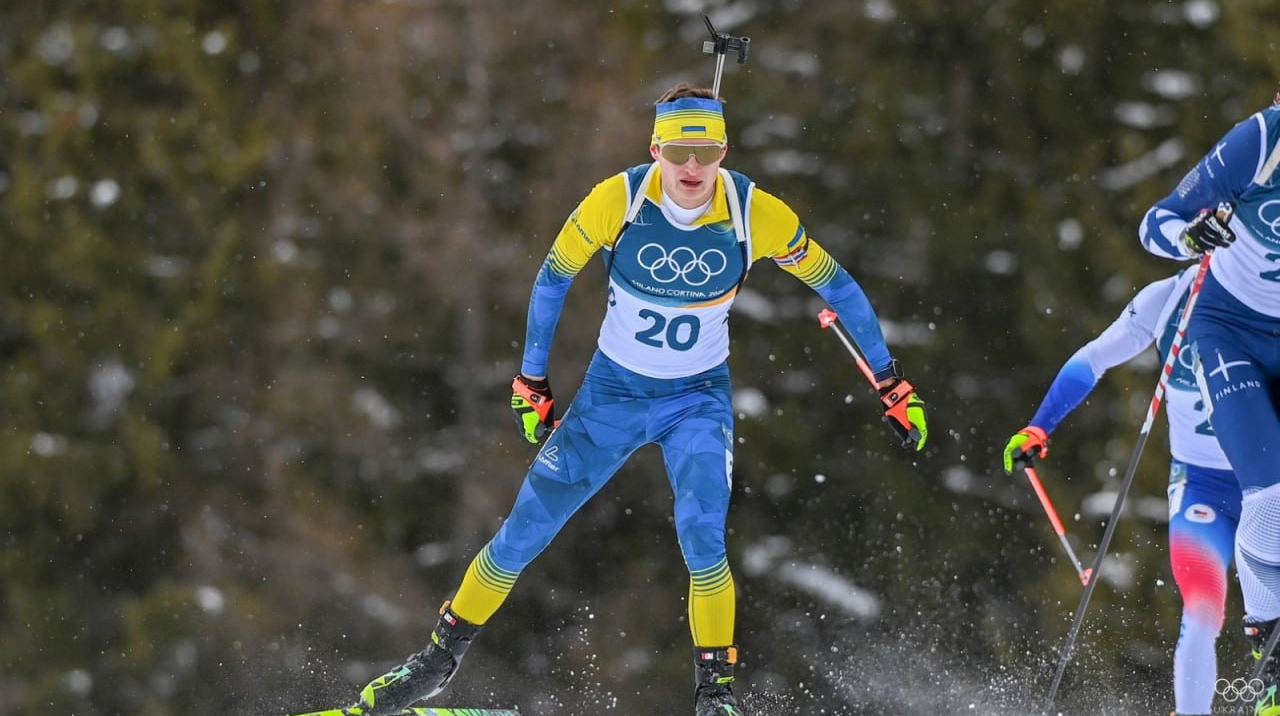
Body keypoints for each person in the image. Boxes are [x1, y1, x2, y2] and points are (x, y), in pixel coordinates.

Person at [344, 83, 929, 716]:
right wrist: (531, 380)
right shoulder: (617, 200)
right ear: (655, 149)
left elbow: (837, 285)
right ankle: (435, 663)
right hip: (612, 395)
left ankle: (715, 698)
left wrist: (890, 381)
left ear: (725, 150)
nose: (691, 167)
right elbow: (553, 277)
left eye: (706, 152)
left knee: (703, 536)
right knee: (523, 532)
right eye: (677, 151)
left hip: (696, 401)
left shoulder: (754, 213)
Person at [1002, 268, 1241, 716]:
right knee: (1202, 608)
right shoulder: (1170, 298)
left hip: (1270, 483)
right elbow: (1093, 358)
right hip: (1203, 486)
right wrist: (1039, 425)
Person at [1137, 97, 1280, 716]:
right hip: (1229, 333)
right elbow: (1157, 220)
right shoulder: (1261, 141)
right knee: (1270, 499)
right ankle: (1271, 656)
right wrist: (1190, 236)